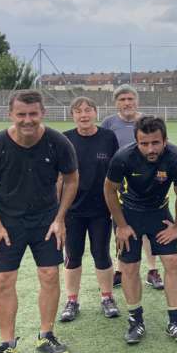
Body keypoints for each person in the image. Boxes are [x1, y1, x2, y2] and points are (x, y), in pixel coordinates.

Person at [0, 90, 79, 353]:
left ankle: (46, 335)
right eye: (21, 114)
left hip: (46, 220)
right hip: (8, 223)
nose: (27, 120)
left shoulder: (58, 142)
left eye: (33, 114)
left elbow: (71, 180)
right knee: (3, 280)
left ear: (42, 113)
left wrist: (60, 218)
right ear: (11, 114)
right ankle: (7, 344)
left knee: (49, 274)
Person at [103, 116, 177, 344]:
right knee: (130, 268)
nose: (150, 149)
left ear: (165, 140)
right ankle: (135, 321)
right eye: (144, 143)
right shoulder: (123, 157)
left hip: (159, 215)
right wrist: (121, 225)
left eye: (155, 143)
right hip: (129, 216)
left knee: (173, 263)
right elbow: (109, 191)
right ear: (136, 142)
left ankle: (175, 321)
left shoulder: (176, 158)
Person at [58, 97, 121, 323]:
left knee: (101, 254)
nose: (83, 115)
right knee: (72, 256)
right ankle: (72, 301)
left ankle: (107, 298)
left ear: (96, 112)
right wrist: (58, 214)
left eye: (87, 110)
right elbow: (59, 178)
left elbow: (115, 173)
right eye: (78, 111)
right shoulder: (65, 139)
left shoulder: (108, 137)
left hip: (101, 210)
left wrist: (117, 207)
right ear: (72, 115)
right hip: (72, 211)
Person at [101, 84, 163, 290]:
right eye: (122, 99)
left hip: (146, 183)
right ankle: (121, 268)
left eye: (130, 99)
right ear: (116, 103)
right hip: (118, 182)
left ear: (137, 101)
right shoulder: (108, 123)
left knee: (147, 228)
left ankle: (152, 270)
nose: (127, 103)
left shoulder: (147, 122)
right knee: (120, 224)